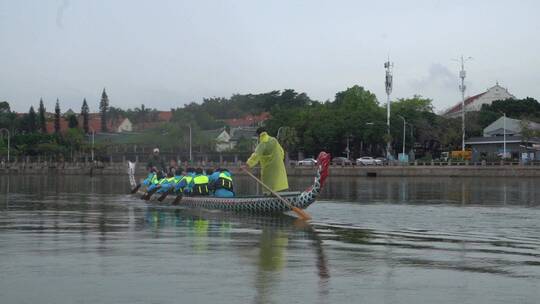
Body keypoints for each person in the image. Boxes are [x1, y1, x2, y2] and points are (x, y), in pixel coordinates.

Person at [244, 127, 288, 193]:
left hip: (269, 170)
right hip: (279, 167)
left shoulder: (263, 143)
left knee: (269, 187)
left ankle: (269, 198)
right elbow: (281, 152)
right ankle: (280, 197)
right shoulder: (274, 140)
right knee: (279, 185)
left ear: (258, 135)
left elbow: (256, 155)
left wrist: (247, 165)